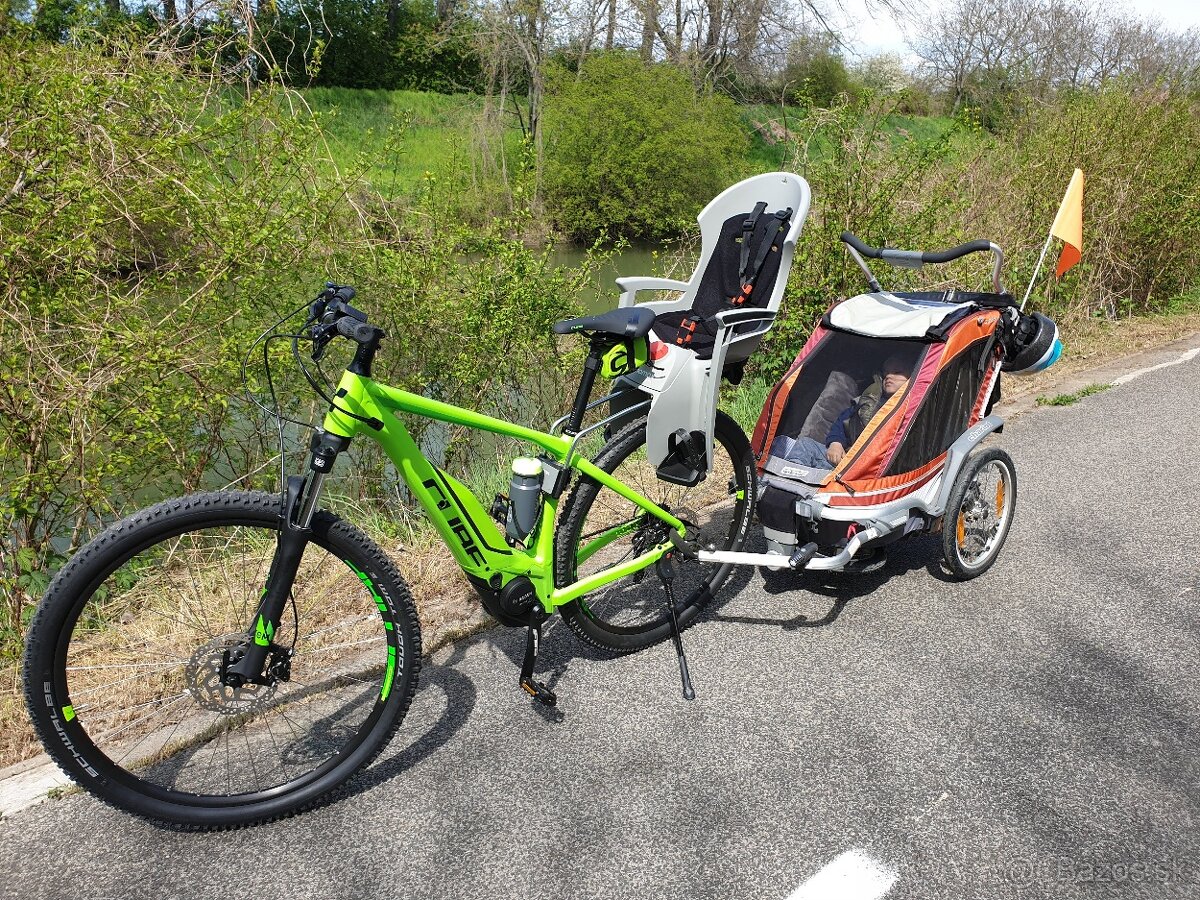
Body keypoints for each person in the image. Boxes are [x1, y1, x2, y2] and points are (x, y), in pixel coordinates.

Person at [771, 355, 911, 469]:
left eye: (897, 372)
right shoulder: (867, 401)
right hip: (844, 456)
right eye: (885, 373)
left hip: (866, 467)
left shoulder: (911, 408)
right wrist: (836, 443)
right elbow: (842, 421)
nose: (889, 376)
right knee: (806, 444)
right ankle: (793, 469)